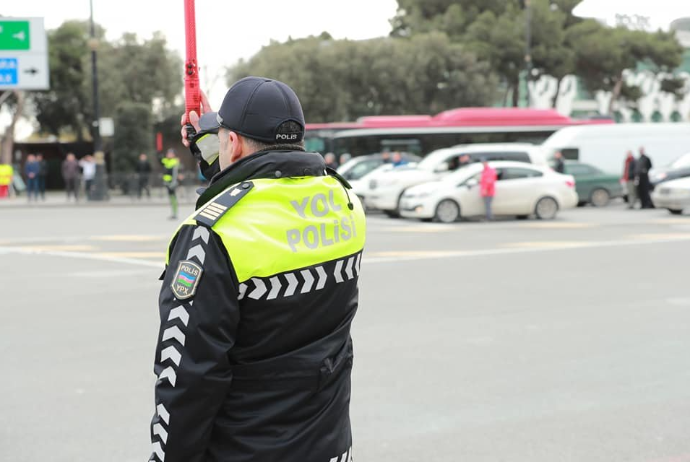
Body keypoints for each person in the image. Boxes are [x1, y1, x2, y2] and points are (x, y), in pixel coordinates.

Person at [149, 76, 366, 462]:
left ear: (230, 142)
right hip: (329, 445)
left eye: (224, 137)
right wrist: (212, 147)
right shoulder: (345, 201)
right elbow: (260, 176)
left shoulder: (212, 235)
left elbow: (187, 380)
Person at [160, 149, 181, 219]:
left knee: (173, 198)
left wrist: (173, 183)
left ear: (173, 155)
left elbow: (175, 174)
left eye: (170, 153)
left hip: (172, 183)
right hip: (167, 183)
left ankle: (175, 213)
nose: (168, 154)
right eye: (168, 153)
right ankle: (173, 213)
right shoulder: (166, 161)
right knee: (171, 198)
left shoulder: (175, 162)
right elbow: (160, 160)